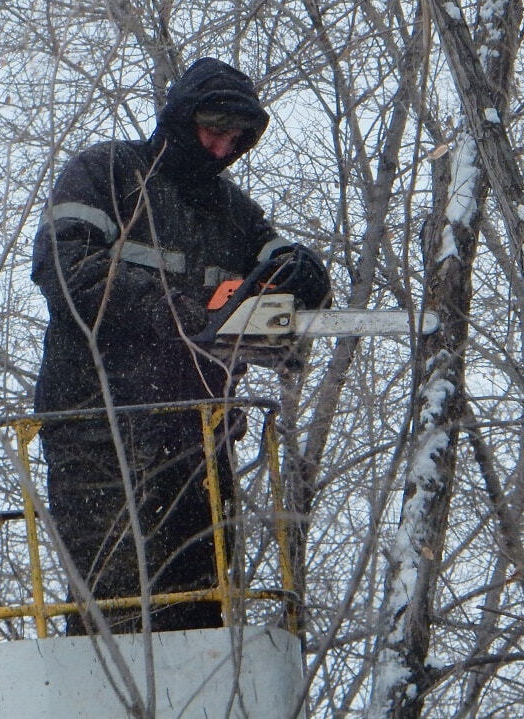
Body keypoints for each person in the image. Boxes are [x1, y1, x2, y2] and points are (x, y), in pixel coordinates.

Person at [31, 57, 330, 634]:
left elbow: (274, 277)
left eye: (234, 140)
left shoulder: (235, 214)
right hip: (99, 433)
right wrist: (194, 310)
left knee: (200, 617)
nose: (221, 150)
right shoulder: (108, 174)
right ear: (179, 119)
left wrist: (301, 272)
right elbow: (64, 272)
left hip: (196, 444)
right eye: (213, 133)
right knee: (114, 612)